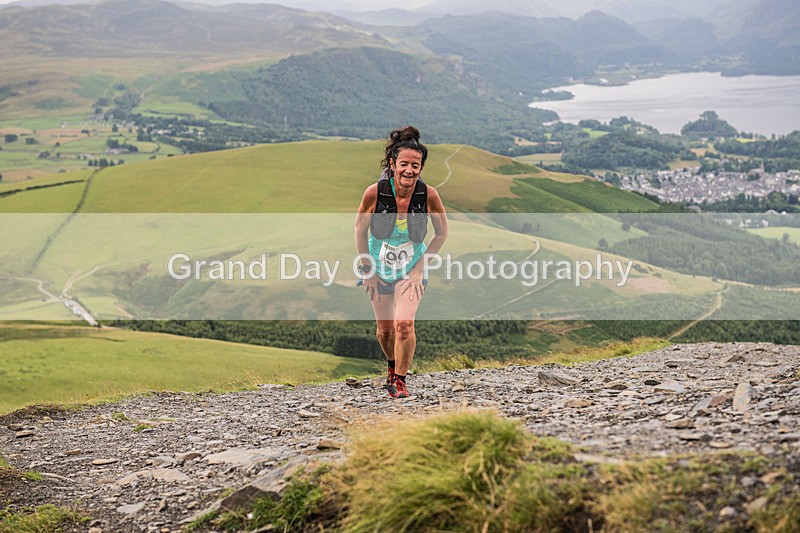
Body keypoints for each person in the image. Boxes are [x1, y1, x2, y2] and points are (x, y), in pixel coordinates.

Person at [354, 125, 448, 398]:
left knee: (404, 324)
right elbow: (359, 230)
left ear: (421, 168)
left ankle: (401, 381)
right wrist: (368, 270)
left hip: (412, 268)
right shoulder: (376, 192)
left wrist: (419, 269)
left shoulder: (427, 195)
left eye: (415, 165)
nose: (409, 170)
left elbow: (442, 232)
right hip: (377, 266)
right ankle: (392, 367)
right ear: (393, 164)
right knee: (385, 331)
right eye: (404, 164)